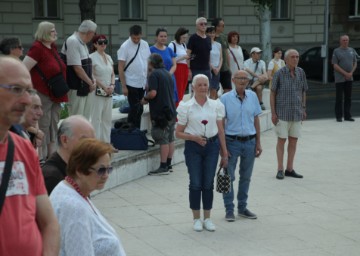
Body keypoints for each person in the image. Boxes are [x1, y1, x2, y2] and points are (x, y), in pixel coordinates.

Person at [0, 56, 60, 255]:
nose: (26, 99)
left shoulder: (24, 149)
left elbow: (49, 223)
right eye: (16, 89)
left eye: (29, 90)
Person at [50, 138, 126, 256]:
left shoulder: (68, 188)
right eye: (101, 170)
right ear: (80, 170)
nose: (106, 175)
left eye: (109, 169)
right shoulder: (75, 209)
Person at [175, 74, 228, 232]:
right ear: (193, 87)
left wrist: (224, 153)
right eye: (200, 85)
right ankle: (196, 218)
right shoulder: (186, 107)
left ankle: (208, 218)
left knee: (208, 183)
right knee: (195, 183)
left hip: (211, 146)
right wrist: (194, 138)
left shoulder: (216, 105)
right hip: (193, 147)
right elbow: (178, 133)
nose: (203, 88)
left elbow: (220, 131)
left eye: (205, 85)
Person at [220, 70, 262, 221]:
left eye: (245, 78)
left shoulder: (252, 96)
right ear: (233, 80)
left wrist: (258, 142)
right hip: (232, 142)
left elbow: (256, 119)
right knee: (228, 177)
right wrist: (223, 149)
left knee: (246, 177)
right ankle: (229, 209)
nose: (243, 81)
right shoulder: (224, 99)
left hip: (250, 142)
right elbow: (221, 125)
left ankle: (242, 208)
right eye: (239, 78)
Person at [23, 21, 67, 161]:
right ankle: (39, 156)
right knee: (43, 123)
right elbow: (24, 68)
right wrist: (29, 90)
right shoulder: (37, 48)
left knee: (54, 122)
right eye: (53, 30)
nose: (56, 33)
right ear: (45, 32)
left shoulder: (52, 47)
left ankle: (51, 154)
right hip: (42, 92)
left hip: (56, 93)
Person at [270, 49, 308, 180]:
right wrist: (273, 113)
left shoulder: (301, 72)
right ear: (286, 59)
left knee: (294, 140)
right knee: (281, 140)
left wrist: (303, 108)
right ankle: (280, 169)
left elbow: (303, 91)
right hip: (282, 113)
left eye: (297, 57)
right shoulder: (279, 73)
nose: (295, 59)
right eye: (293, 57)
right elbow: (272, 93)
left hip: (297, 113)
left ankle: (289, 169)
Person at [141, 53, 176, 175]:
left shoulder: (154, 74)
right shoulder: (167, 73)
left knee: (162, 139)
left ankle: (163, 167)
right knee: (171, 138)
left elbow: (153, 93)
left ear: (151, 63)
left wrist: (144, 99)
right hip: (171, 110)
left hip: (160, 112)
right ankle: (169, 164)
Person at [42, 115, 95, 194]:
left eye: (93, 141)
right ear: (65, 140)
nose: (91, 146)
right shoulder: (52, 177)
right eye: (85, 141)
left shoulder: (75, 168)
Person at [61, 19, 97, 118]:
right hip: (76, 88)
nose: (93, 36)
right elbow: (77, 68)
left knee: (85, 119)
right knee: (76, 119)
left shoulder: (83, 43)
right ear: (90, 33)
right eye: (93, 34)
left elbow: (88, 64)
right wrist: (91, 83)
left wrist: (93, 80)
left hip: (85, 87)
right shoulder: (73, 41)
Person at [117, 25, 151, 129]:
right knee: (136, 108)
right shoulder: (125, 46)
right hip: (130, 82)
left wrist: (148, 81)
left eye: (138, 38)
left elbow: (148, 63)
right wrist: (124, 86)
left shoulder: (145, 44)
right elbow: (120, 67)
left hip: (142, 82)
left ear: (141, 35)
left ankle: (133, 130)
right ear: (130, 35)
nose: (136, 40)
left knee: (139, 108)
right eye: (134, 38)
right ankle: (133, 130)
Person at [89, 34, 115, 142]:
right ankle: (96, 144)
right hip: (97, 91)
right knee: (96, 118)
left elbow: (113, 73)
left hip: (109, 91)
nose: (103, 44)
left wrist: (112, 85)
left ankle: (106, 143)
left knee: (107, 119)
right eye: (100, 42)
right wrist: (104, 86)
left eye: (105, 42)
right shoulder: (91, 57)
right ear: (95, 44)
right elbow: (92, 75)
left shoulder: (108, 57)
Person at [332, 35, 357, 122]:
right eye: (343, 40)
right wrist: (345, 73)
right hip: (340, 78)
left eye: (346, 40)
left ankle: (347, 116)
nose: (345, 41)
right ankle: (339, 116)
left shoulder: (352, 50)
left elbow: (355, 63)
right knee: (339, 98)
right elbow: (335, 65)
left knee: (348, 97)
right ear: (340, 41)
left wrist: (351, 73)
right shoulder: (336, 51)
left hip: (349, 78)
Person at [150, 28, 178, 103]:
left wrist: (169, 74)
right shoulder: (151, 50)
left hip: (169, 78)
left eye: (165, 36)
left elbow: (174, 65)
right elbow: (149, 66)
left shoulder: (169, 50)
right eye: (161, 36)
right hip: (157, 79)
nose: (163, 38)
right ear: (156, 37)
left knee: (171, 101)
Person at [168, 27, 190, 105]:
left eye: (186, 37)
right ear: (179, 35)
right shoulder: (172, 45)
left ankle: (179, 109)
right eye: (183, 37)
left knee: (183, 90)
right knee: (178, 90)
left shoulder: (183, 45)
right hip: (178, 68)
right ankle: (176, 110)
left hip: (184, 68)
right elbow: (170, 60)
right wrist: (183, 57)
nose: (184, 39)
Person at [187, 17, 212, 81]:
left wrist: (210, 68)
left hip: (206, 69)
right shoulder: (193, 38)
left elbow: (208, 54)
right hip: (195, 69)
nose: (203, 26)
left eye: (205, 24)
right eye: (201, 24)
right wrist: (188, 69)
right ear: (197, 26)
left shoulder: (208, 39)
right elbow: (188, 54)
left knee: (207, 89)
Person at [212, 17, 232, 94]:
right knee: (214, 90)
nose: (223, 27)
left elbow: (227, 52)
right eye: (222, 25)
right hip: (215, 67)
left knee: (228, 90)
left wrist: (229, 67)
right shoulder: (211, 37)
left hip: (225, 68)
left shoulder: (223, 37)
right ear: (217, 27)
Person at [206, 26, 222, 99]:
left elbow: (221, 58)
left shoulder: (218, 45)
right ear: (206, 34)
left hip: (217, 69)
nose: (211, 35)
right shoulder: (205, 44)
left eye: (213, 33)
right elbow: (206, 58)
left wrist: (218, 68)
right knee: (208, 89)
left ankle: (213, 107)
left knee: (214, 89)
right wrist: (212, 67)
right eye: (209, 33)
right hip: (209, 69)